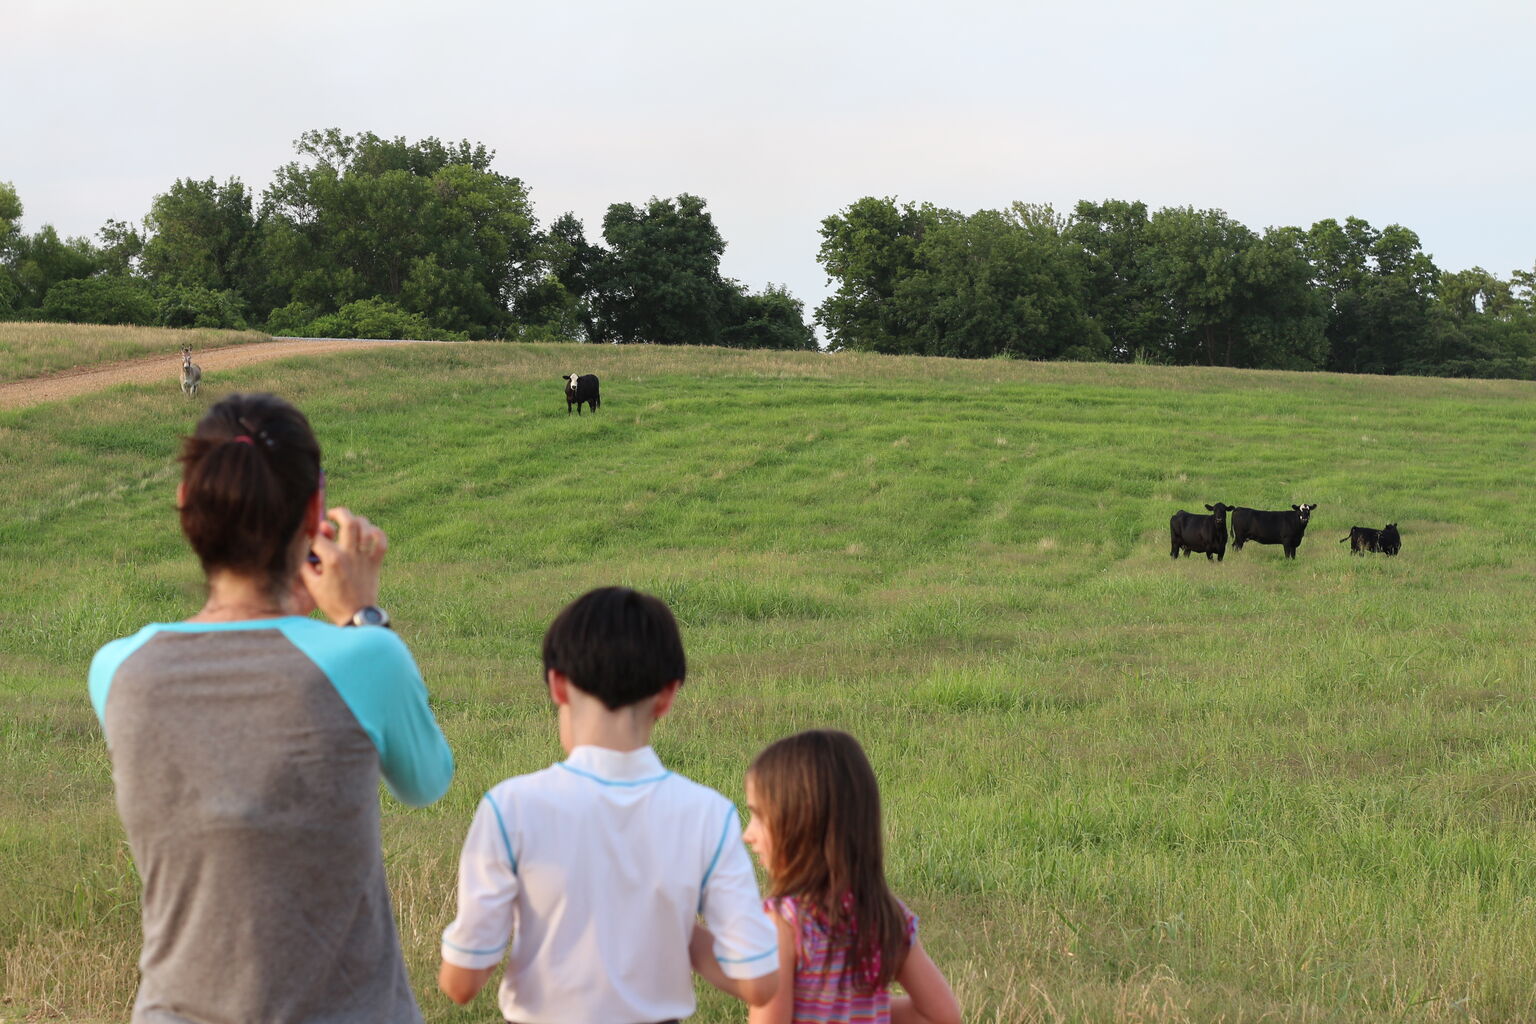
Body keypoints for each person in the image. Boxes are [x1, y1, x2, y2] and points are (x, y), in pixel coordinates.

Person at [87, 392, 454, 1024]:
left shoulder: (117, 670)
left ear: (185, 506)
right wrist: (362, 617)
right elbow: (427, 782)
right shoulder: (365, 658)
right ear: (314, 512)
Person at [438, 586, 778, 1023]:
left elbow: (460, 984)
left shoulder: (511, 807)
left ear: (558, 684)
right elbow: (760, 983)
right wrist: (677, 929)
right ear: (668, 695)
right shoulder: (708, 814)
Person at [700, 729, 961, 1024]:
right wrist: (859, 1009)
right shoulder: (885, 916)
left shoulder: (784, 923)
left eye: (759, 816)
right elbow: (943, 1015)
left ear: (799, 823)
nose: (748, 835)